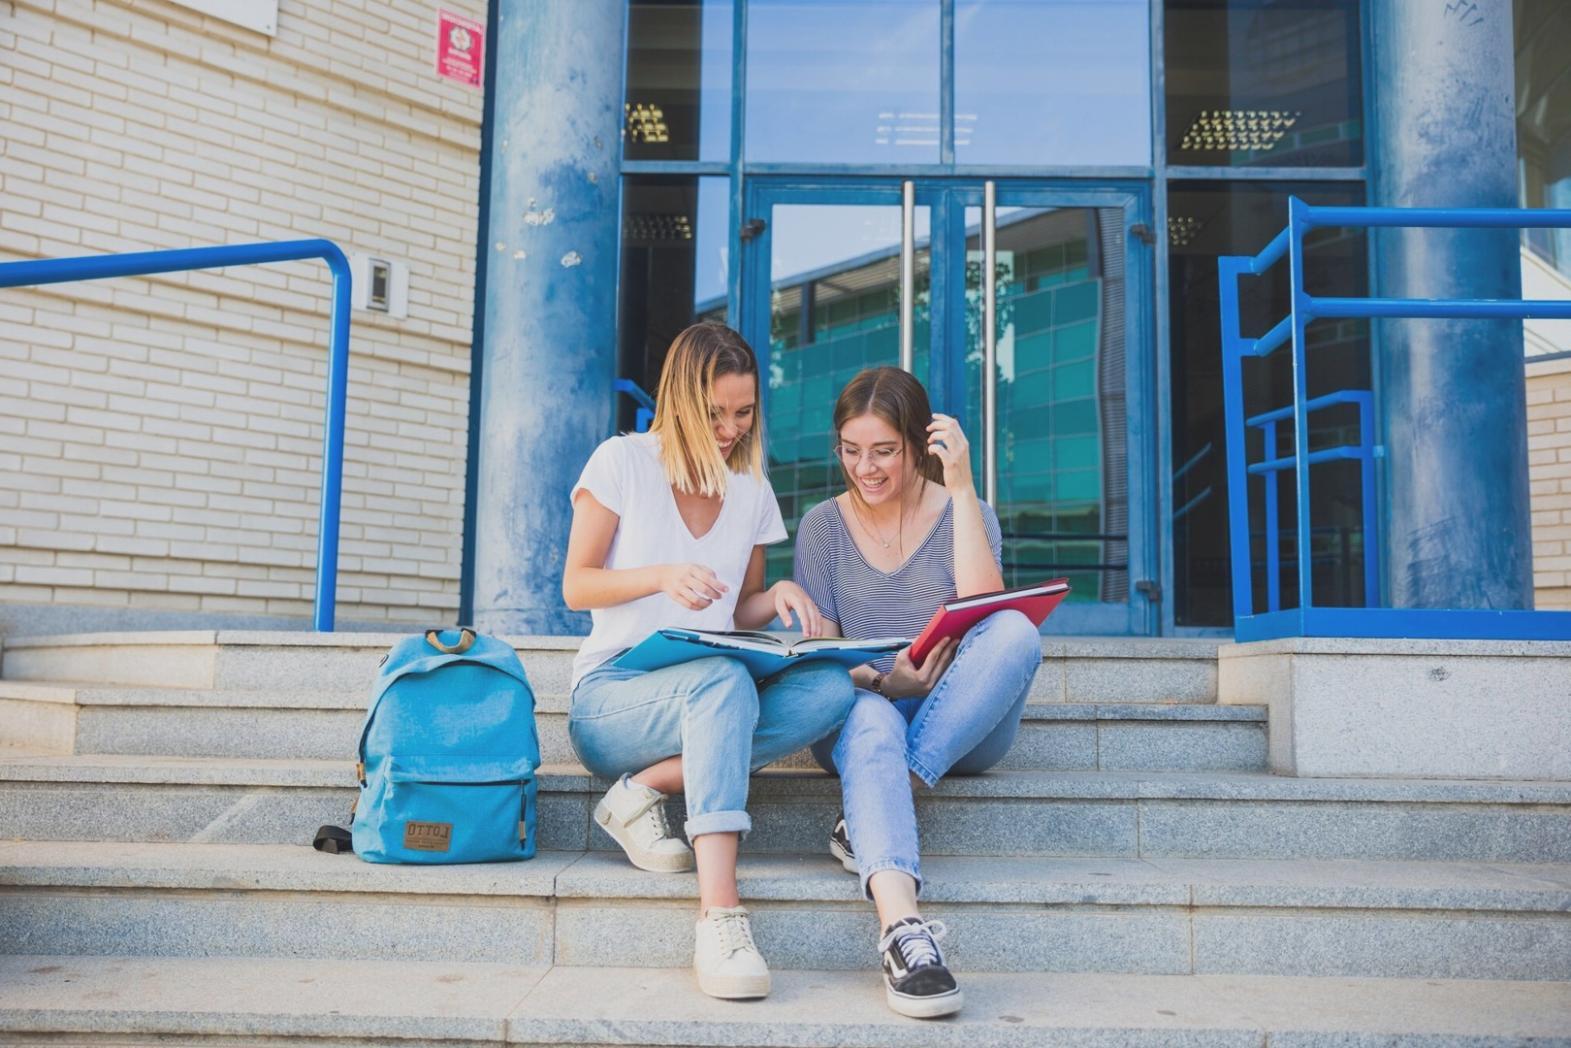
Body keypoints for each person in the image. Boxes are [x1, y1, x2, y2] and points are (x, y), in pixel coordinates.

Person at [562, 321, 855, 1001]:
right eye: (715, 412)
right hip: (614, 697)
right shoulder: (621, 461)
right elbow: (576, 584)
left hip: (707, 693)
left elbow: (737, 607)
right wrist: (658, 575)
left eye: (744, 412)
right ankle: (720, 916)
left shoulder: (750, 490)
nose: (730, 428)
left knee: (829, 690)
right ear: (681, 401)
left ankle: (644, 791)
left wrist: (775, 594)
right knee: (723, 681)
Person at [794, 366, 1043, 1019]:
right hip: (861, 711)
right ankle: (903, 934)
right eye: (850, 451)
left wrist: (960, 488)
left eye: (883, 451)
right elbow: (814, 652)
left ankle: (881, 802)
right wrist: (882, 680)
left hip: (957, 721)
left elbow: (986, 610)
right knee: (874, 718)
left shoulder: (964, 510)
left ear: (916, 444)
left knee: (1015, 630)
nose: (865, 468)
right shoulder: (822, 526)